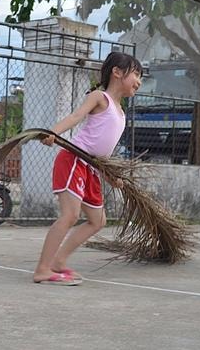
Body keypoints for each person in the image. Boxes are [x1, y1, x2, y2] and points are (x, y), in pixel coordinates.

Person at [33, 52, 142, 285]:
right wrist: (53, 132)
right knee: (70, 215)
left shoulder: (121, 113)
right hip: (74, 159)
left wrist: (110, 176)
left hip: (92, 168)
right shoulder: (99, 97)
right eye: (136, 74)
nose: (139, 81)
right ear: (117, 72)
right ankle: (42, 269)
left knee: (98, 220)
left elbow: (103, 150)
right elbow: (76, 116)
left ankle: (58, 262)